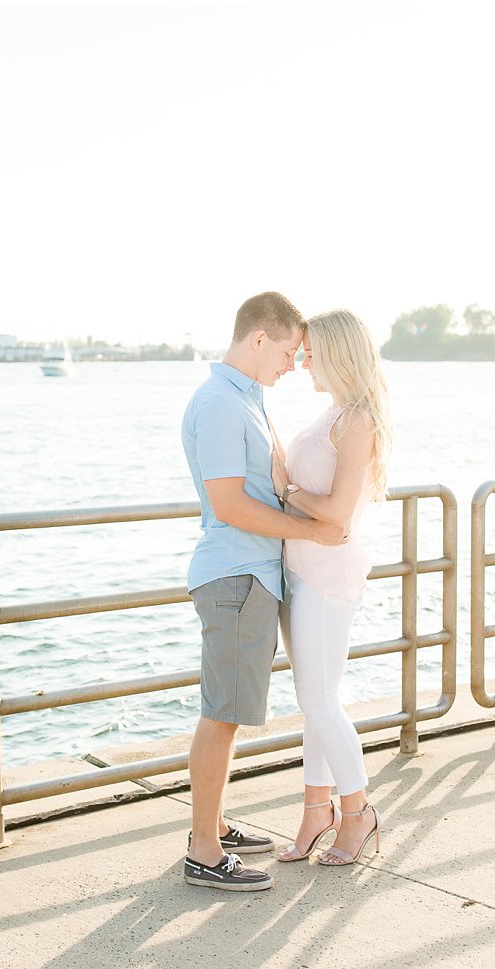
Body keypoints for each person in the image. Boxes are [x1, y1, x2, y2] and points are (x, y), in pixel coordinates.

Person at [180, 291, 348, 892]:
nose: (292, 364)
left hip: (250, 574)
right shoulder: (224, 403)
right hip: (235, 575)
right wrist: (312, 531)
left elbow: (270, 484)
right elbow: (229, 503)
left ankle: (215, 825)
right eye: (286, 351)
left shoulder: (246, 398)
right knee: (221, 715)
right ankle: (203, 852)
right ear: (258, 339)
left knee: (225, 709)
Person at [271, 309, 392, 867]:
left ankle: (358, 812)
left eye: (312, 353)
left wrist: (286, 488)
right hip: (303, 572)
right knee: (315, 703)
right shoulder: (335, 413)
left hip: (327, 576)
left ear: (340, 353)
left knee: (320, 703)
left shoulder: (358, 420)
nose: (303, 362)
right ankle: (316, 809)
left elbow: (340, 517)